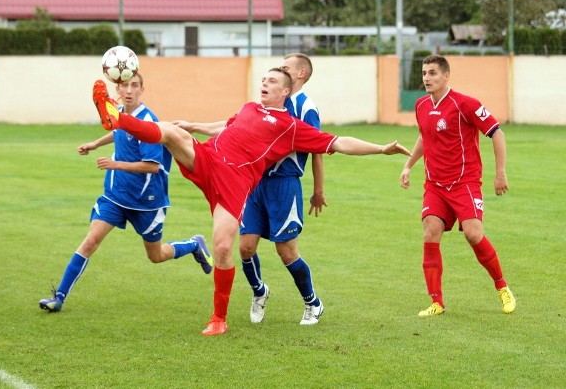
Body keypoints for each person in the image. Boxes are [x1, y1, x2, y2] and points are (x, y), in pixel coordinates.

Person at [91, 67, 411, 335]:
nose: (264, 84)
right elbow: (226, 126)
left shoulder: (291, 127)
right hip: (208, 158)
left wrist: (381, 148)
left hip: (235, 182)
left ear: (285, 91)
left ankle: (219, 320)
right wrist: (195, 126)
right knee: (172, 133)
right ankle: (116, 118)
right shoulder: (248, 107)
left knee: (222, 247)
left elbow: (339, 142)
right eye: (263, 80)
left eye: (271, 82)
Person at [39, 73, 213, 313]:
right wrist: (95, 144)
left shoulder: (149, 123)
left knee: (157, 255)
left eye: (134, 86)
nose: (129, 90)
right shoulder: (118, 112)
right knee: (90, 241)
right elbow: (118, 131)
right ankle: (59, 297)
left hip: (147, 202)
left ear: (142, 89)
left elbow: (152, 166)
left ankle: (194, 245)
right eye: (124, 86)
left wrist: (116, 164)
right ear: (117, 89)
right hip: (115, 196)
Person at [175, 53, 327, 325]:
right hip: (252, 180)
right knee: (245, 247)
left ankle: (312, 302)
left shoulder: (305, 107)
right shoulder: (262, 104)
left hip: (283, 184)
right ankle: (259, 291)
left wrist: (319, 189)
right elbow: (232, 127)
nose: (279, 69)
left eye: (285, 67)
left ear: (299, 75)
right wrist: (194, 126)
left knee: (286, 251)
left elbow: (317, 146)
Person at [399, 54, 516, 317]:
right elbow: (424, 137)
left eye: (432, 73)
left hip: (465, 182)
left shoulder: (465, 104)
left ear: (446, 76)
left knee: (474, 234)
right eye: (424, 73)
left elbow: (497, 132)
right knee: (430, 231)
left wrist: (500, 173)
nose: (426, 78)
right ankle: (436, 302)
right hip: (435, 185)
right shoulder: (421, 106)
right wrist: (408, 165)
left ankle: (502, 287)